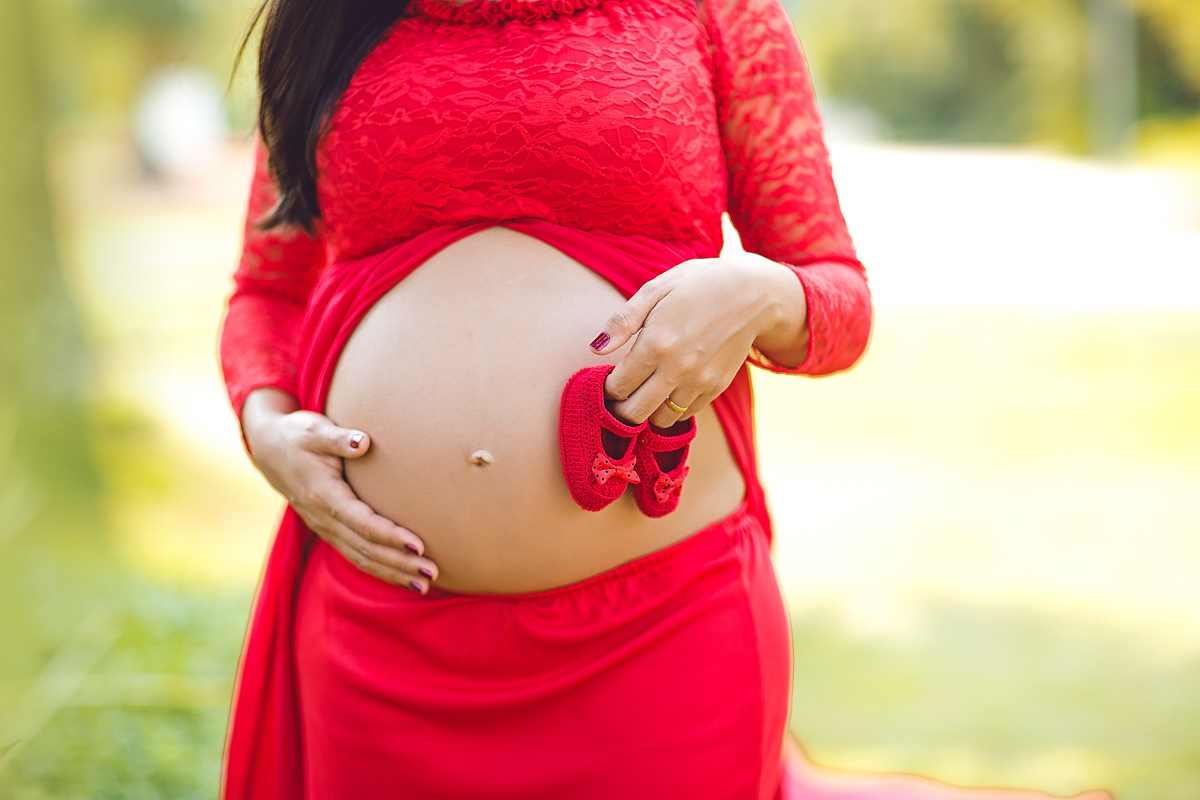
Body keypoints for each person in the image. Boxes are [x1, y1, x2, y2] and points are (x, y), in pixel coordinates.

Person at [217, 0, 1111, 798]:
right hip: (382, 637)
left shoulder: (718, 12)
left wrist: (763, 293)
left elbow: (839, 299)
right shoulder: (326, 22)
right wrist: (266, 430)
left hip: (660, 638)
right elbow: (266, 292)